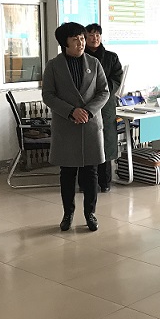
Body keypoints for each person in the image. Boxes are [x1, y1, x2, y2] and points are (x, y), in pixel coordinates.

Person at [42, 22, 109, 232]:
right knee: (67, 173)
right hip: (66, 125)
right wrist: (71, 111)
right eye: (75, 40)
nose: (81, 43)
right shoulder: (54, 66)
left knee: (91, 172)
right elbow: (48, 95)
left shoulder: (94, 63)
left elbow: (104, 92)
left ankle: (90, 213)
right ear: (65, 43)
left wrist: (88, 111)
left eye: (82, 38)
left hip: (90, 124)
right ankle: (68, 213)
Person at [84, 23, 123, 192]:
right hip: (86, 104)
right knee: (87, 143)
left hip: (106, 104)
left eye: (97, 35)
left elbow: (117, 78)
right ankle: (86, 183)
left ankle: (105, 182)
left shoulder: (111, 57)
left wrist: (103, 92)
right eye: (91, 35)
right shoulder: (80, 57)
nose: (95, 38)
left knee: (106, 141)